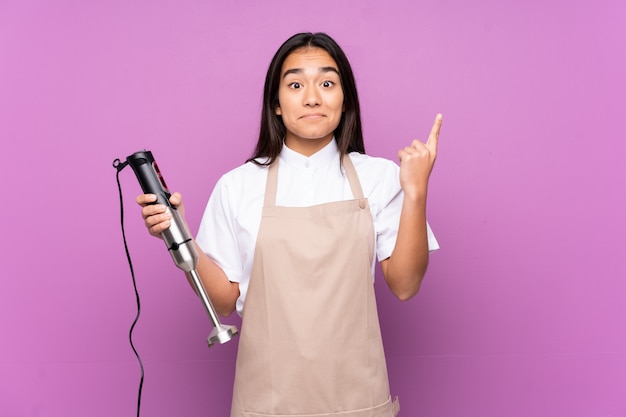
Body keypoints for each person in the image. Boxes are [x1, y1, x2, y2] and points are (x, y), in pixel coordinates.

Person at [137, 32, 441, 417]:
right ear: (276, 104)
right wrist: (178, 235)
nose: (312, 97)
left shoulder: (380, 177)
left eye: (327, 83)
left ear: (344, 99)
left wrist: (416, 194)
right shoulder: (238, 185)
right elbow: (223, 302)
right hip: (266, 403)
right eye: (295, 84)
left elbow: (405, 285)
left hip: (358, 400)